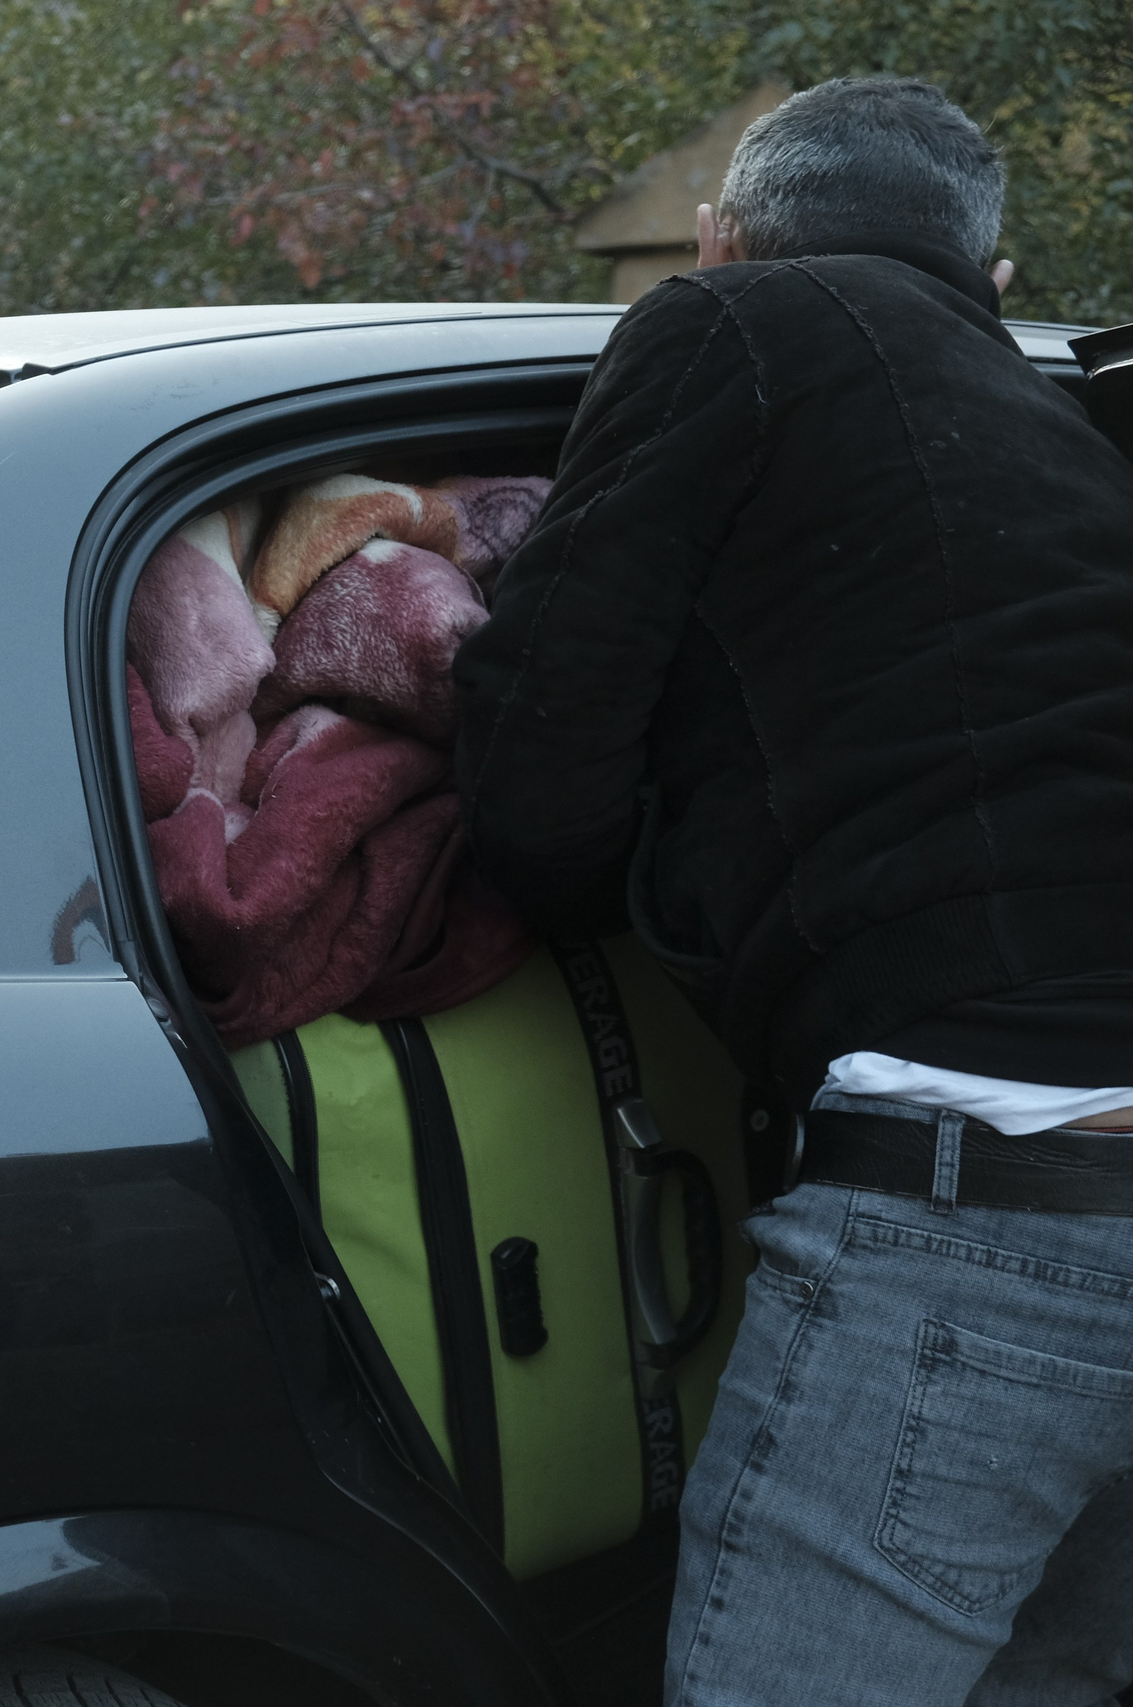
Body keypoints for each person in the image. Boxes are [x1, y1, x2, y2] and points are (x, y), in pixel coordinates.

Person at [453, 77, 1133, 1707]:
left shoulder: (731, 325)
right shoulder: (1082, 440)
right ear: (998, 289)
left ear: (719, 240)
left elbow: (537, 773)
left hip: (989, 1218)